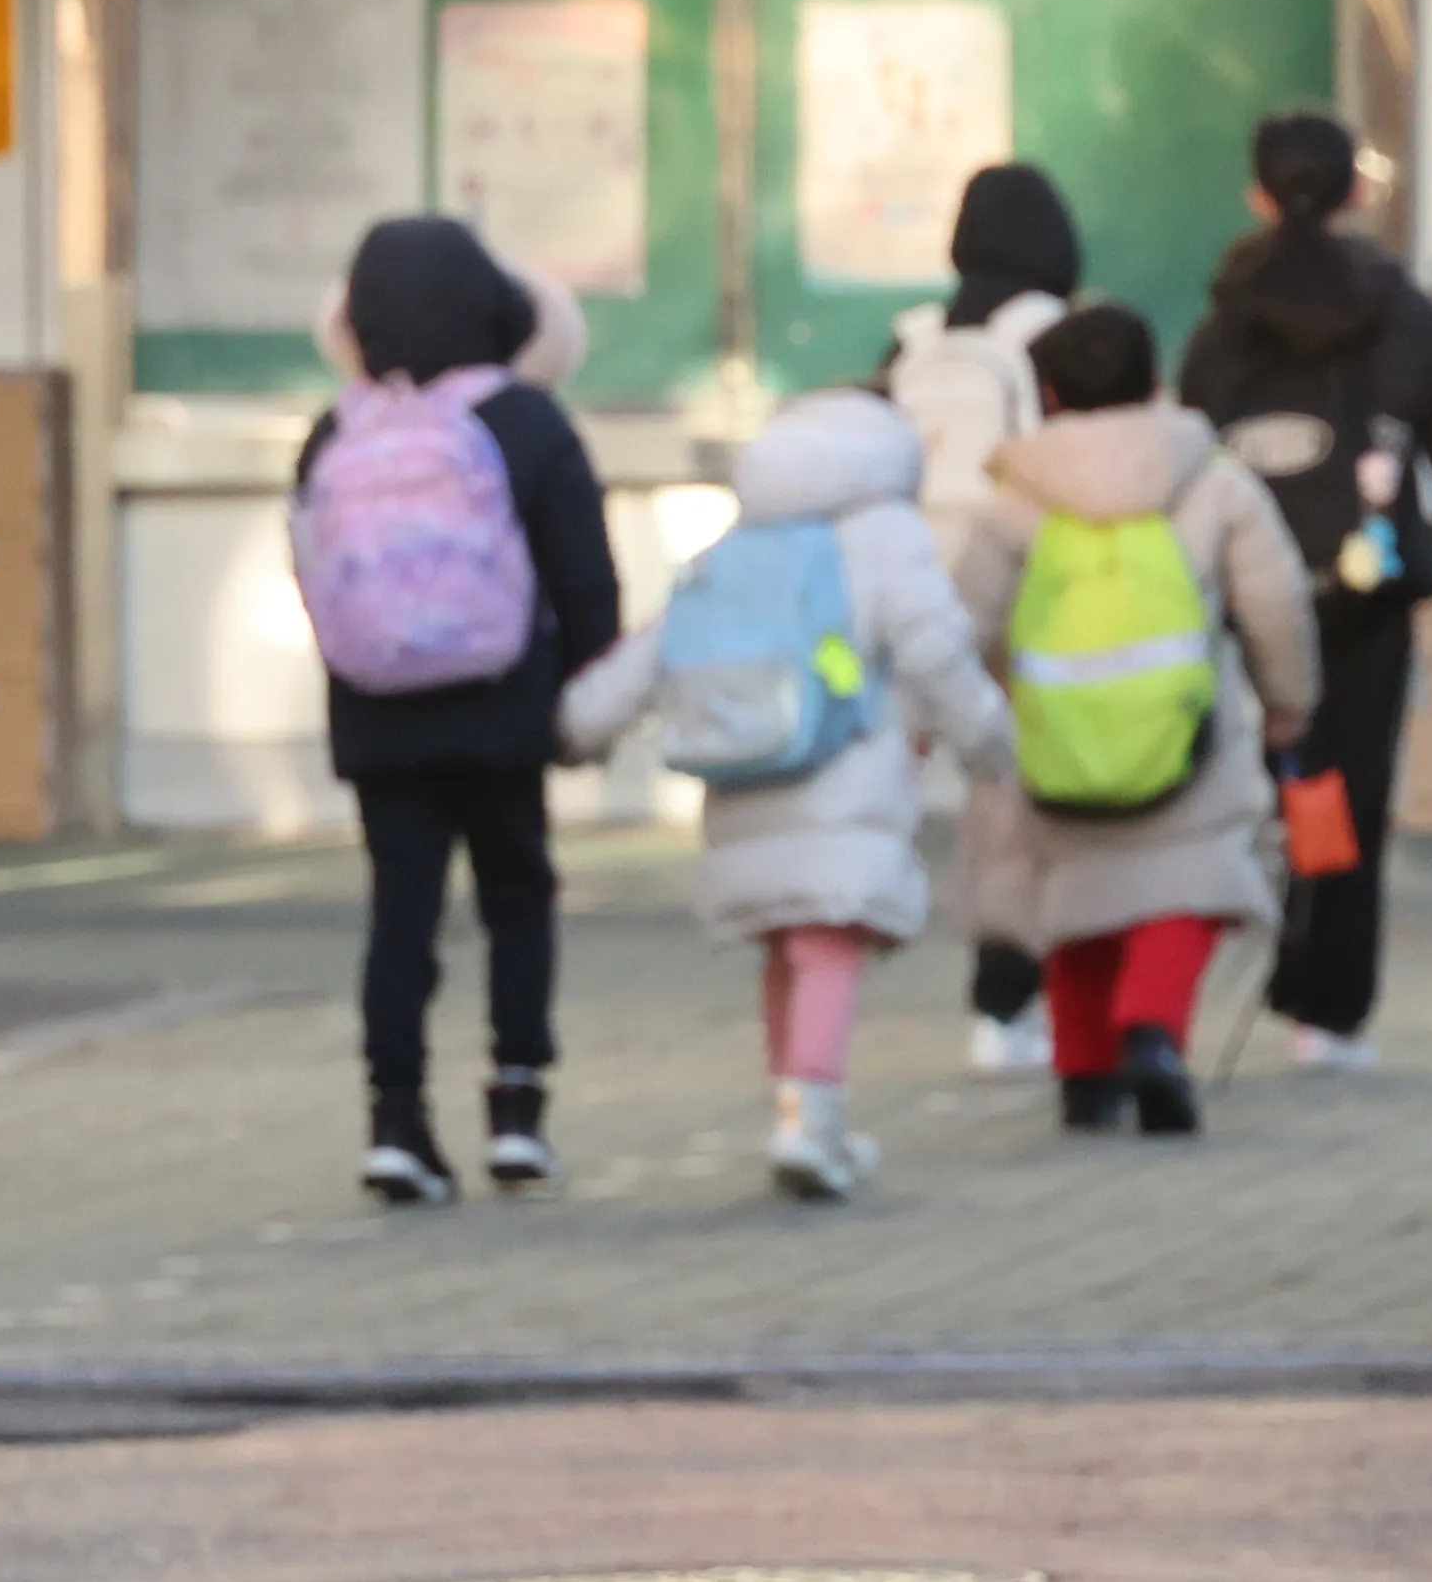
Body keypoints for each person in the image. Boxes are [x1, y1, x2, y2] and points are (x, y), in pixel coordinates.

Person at [558, 387, 1018, 1202]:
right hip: (844, 769)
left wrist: (577, 725)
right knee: (829, 939)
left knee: (787, 942)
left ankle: (800, 1108)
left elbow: (662, 643)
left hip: (746, 768)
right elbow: (937, 650)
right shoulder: (885, 533)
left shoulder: (745, 538)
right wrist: (989, 742)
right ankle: (811, 1119)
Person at [301, 217, 621, 1204]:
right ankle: (516, 1109)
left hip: (378, 715)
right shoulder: (524, 421)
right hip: (501, 709)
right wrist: (581, 694)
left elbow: (318, 573)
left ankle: (395, 1121)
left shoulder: (336, 431)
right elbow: (585, 580)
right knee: (516, 898)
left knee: (402, 915)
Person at [956, 302, 1319, 1133]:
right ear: (1156, 383)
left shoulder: (1016, 497)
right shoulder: (1212, 477)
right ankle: (1153, 1030)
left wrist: (966, 715)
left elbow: (966, 618)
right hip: (1185, 731)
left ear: (1046, 395)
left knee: (1076, 894)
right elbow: (1275, 601)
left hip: (1053, 735)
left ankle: (1084, 1073)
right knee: (1186, 882)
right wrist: (1288, 702)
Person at [1177, 112, 1432, 1071]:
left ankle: (1172, 998)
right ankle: (1329, 1013)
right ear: (1358, 191)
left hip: (1243, 588)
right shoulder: (1402, 309)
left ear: (1257, 195)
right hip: (1368, 584)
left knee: (1258, 780)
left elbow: (1190, 439)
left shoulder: (1225, 316)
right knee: (1354, 777)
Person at [885, 162, 1083, 1077]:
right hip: (1023, 580)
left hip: (912, 584)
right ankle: (1010, 991)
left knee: (943, 781)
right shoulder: (1051, 334)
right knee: (1012, 796)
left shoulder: (914, 339)